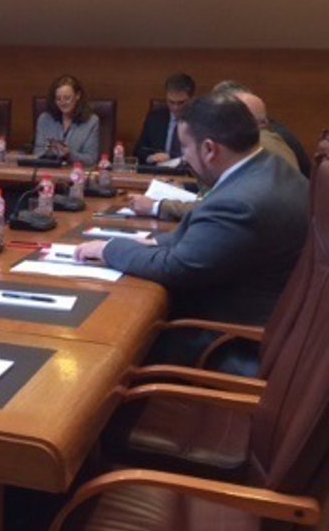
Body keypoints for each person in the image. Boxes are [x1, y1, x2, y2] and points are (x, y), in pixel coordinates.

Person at [75, 94, 309, 373]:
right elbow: (206, 236)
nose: (184, 157)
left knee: (108, 342)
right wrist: (152, 241)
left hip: (228, 340)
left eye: (185, 147)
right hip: (273, 327)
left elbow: (176, 267)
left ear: (209, 149)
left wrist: (109, 248)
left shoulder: (240, 202)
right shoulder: (272, 168)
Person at [126, 84, 299, 220]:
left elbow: (222, 205)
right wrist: (186, 187)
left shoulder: (263, 148)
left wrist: (157, 206)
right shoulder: (260, 147)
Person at [32, 74, 100, 167]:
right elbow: (37, 153)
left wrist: (70, 154)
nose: (62, 102)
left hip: (77, 173)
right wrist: (50, 152)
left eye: (67, 98)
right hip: (50, 172)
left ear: (77, 95)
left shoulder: (91, 121)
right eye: (58, 99)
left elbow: (91, 160)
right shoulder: (44, 119)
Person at [133, 73, 195, 164]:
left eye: (181, 103)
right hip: (160, 170)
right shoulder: (155, 118)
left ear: (191, 99)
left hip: (189, 171)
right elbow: (139, 152)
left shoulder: (201, 121)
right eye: (171, 102)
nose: (175, 108)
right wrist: (151, 158)